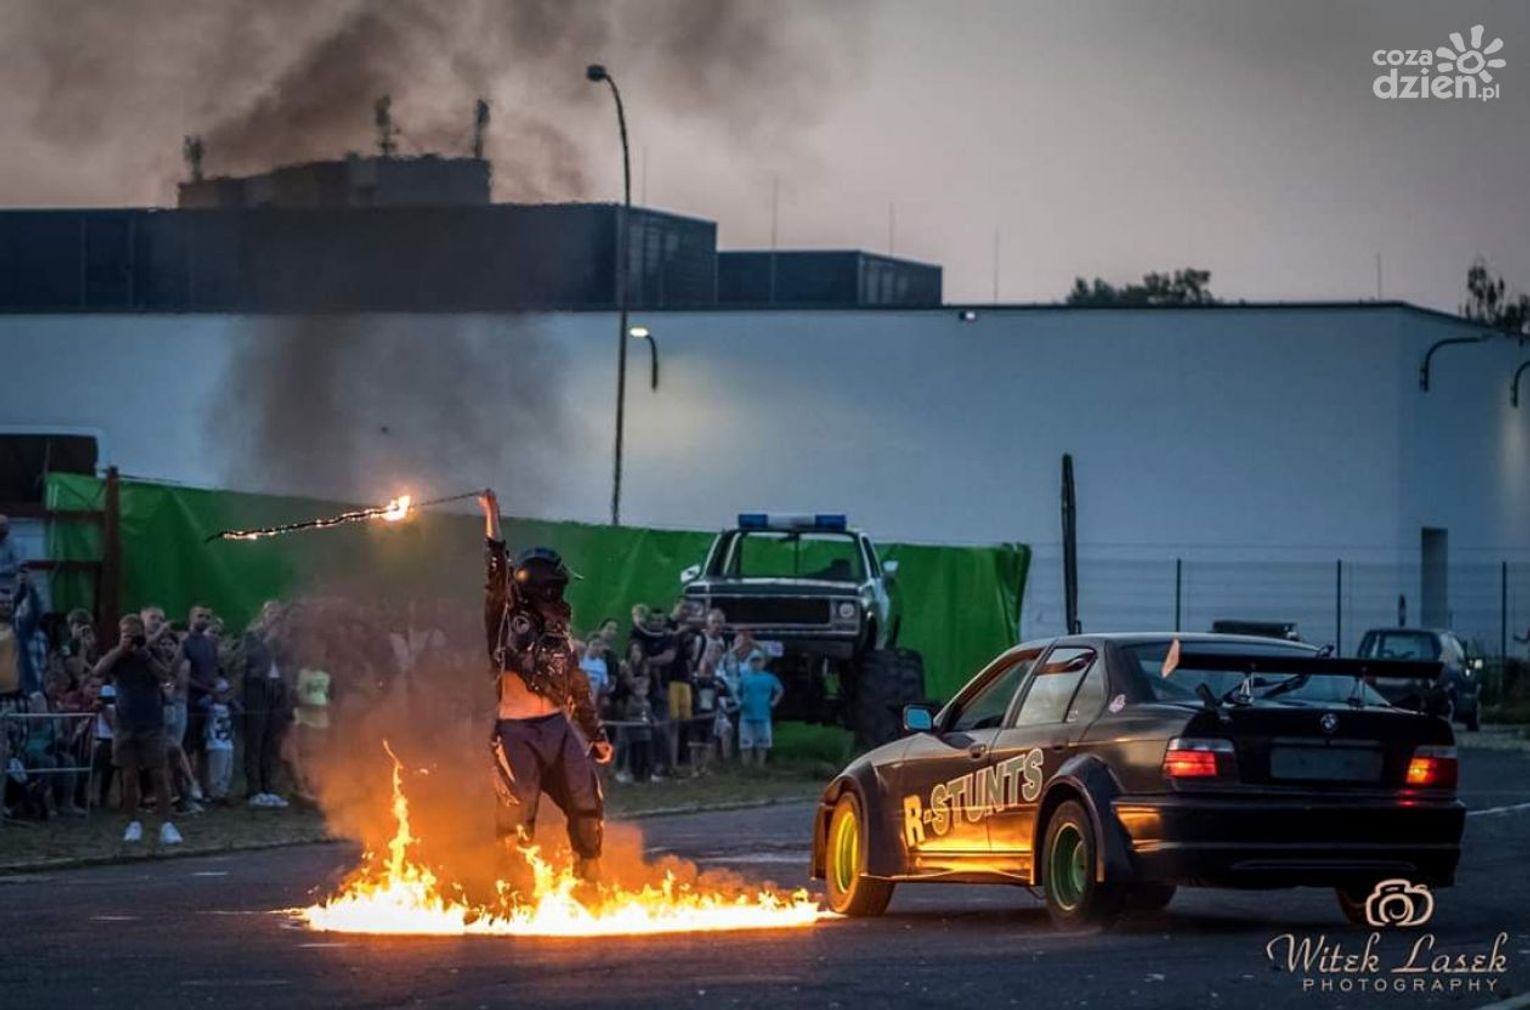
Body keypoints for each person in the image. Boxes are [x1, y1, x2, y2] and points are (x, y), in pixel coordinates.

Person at [479, 489, 612, 881]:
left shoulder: (559, 628)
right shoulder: (504, 616)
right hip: (516, 732)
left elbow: (575, 682)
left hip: (557, 726)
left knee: (587, 800)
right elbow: (496, 568)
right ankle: (512, 888)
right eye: (555, 586)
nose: (560, 593)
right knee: (517, 812)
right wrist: (492, 515)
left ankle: (588, 879)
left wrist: (594, 733)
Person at [94, 614, 181, 845]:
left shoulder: (153, 652)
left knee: (159, 774)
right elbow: (98, 671)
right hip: (125, 725)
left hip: (152, 723)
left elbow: (166, 676)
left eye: (136, 635)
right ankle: (133, 823)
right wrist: (120, 650)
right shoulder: (117, 656)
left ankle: (166, 824)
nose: (132, 640)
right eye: (126, 635)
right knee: (128, 776)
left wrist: (146, 656)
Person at [241, 601, 292, 809]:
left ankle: (269, 789)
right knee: (255, 742)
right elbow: (249, 661)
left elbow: (288, 662)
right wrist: (269, 640)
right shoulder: (251, 637)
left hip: (276, 692)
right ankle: (254, 791)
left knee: (271, 743)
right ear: (263, 616)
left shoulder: (285, 638)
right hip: (256, 692)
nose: (276, 617)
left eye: (279, 613)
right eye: (272, 613)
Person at [177, 604, 219, 794]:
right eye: (200, 616)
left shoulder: (210, 643)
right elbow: (183, 674)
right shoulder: (184, 643)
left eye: (207, 617)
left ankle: (205, 786)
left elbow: (214, 669)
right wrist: (205, 688)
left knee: (206, 745)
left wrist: (215, 689)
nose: (204, 620)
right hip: (190, 700)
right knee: (188, 745)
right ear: (191, 618)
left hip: (209, 700)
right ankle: (188, 786)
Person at [292, 641, 331, 803]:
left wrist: (327, 706)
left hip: (322, 720)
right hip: (306, 719)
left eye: (321, 655)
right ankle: (304, 786)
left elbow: (328, 696)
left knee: (319, 754)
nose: (318, 658)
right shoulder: (302, 674)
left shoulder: (326, 676)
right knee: (306, 752)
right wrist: (308, 706)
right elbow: (299, 694)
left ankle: (317, 786)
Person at [737, 651, 784, 767]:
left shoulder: (769, 677)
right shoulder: (744, 677)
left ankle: (760, 768)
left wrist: (774, 702)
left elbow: (779, 690)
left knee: (762, 744)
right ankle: (745, 768)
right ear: (750, 663)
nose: (756, 663)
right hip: (746, 716)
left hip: (763, 715)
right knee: (745, 744)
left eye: (758, 661)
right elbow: (736, 692)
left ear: (763, 663)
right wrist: (739, 702)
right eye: (754, 661)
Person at [203, 678, 238, 804]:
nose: (226, 696)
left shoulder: (230, 707)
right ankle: (215, 795)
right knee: (217, 772)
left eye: (227, 693)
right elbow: (201, 704)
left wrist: (231, 700)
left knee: (227, 772)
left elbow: (241, 710)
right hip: (215, 743)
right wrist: (212, 695)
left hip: (228, 743)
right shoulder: (211, 707)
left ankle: (223, 794)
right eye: (223, 693)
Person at [0, 515, 22, 595]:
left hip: (9, 586)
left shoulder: (16, 544)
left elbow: (18, 566)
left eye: (2, 526)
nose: (1, 528)